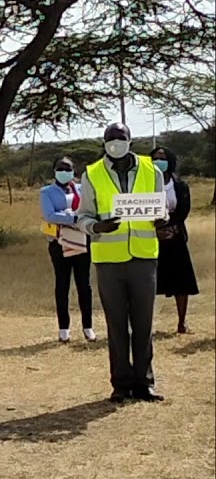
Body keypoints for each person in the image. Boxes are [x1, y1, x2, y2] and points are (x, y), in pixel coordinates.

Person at [77, 123, 165, 403]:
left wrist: (161, 220)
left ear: (130, 140)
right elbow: (83, 217)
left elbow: (160, 209)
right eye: (111, 139)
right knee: (116, 325)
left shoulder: (153, 171)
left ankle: (144, 382)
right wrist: (97, 228)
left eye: (121, 138)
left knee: (144, 323)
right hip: (108, 260)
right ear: (103, 143)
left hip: (143, 256)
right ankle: (121, 383)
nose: (116, 143)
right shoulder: (92, 174)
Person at [39, 157, 97, 343]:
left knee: (84, 285)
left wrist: (72, 217)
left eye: (68, 169)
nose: (65, 172)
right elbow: (50, 215)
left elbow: (90, 211)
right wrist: (73, 219)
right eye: (61, 168)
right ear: (55, 170)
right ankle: (64, 328)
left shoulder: (82, 189)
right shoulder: (47, 191)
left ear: (74, 171)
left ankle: (88, 326)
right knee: (62, 284)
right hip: (59, 242)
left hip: (81, 241)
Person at [152, 146, 198, 334]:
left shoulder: (180, 185)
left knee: (182, 281)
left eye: (162, 158)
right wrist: (156, 230)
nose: (159, 161)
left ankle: (181, 323)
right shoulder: (145, 183)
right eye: (155, 158)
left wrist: (169, 226)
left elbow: (183, 210)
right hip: (151, 238)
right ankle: (145, 324)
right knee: (148, 283)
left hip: (176, 236)